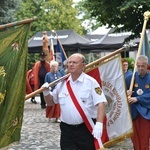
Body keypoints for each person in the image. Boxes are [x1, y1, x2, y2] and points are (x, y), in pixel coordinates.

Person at [42, 53, 107, 150]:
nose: (71, 65)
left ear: (83, 65)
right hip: (67, 130)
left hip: (85, 128)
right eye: (69, 62)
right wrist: (46, 92)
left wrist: (99, 123)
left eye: (74, 62)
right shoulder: (62, 83)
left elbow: (101, 103)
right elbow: (50, 102)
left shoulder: (91, 82)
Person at [126, 55, 150, 150]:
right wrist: (127, 93)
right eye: (138, 65)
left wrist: (138, 99)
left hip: (146, 113)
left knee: (144, 139)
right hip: (134, 113)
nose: (140, 68)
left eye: (142, 66)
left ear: (147, 65)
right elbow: (123, 94)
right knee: (135, 140)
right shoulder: (130, 78)